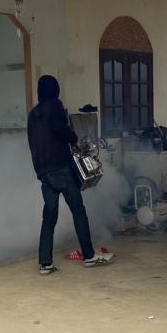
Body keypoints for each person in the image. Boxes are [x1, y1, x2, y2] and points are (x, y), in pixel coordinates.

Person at [27, 75, 113, 275]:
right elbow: (61, 130)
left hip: (43, 172)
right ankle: (89, 256)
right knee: (78, 210)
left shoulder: (33, 114)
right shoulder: (54, 106)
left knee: (49, 216)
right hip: (60, 168)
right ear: (55, 90)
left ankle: (45, 263)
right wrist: (74, 139)